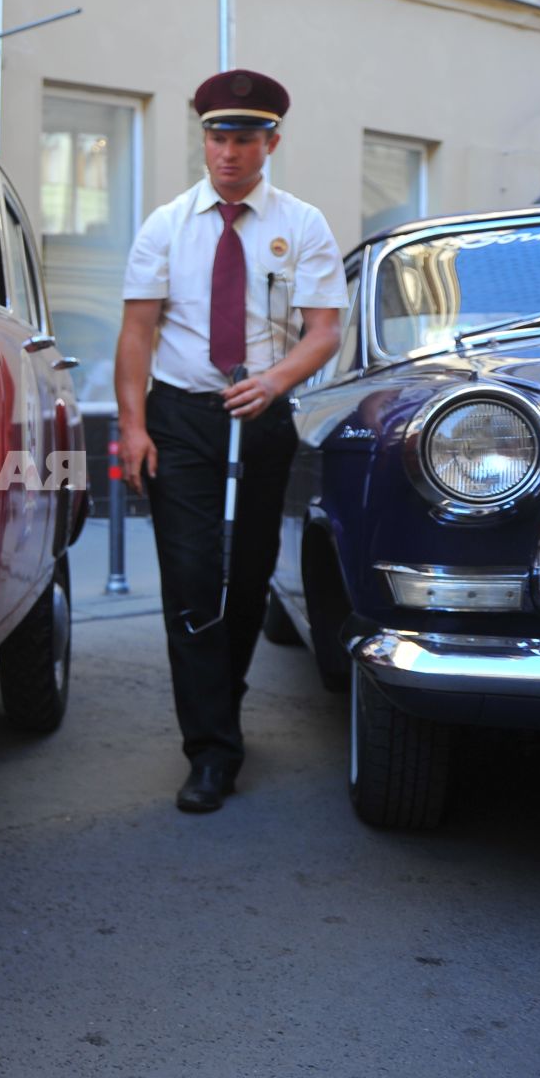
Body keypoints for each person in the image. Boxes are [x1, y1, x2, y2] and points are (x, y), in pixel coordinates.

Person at [113, 69, 345, 814]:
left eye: (245, 138)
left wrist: (275, 381)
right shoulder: (166, 225)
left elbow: (325, 331)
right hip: (181, 416)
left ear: (270, 141)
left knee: (247, 573)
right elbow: (137, 332)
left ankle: (222, 688)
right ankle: (211, 749)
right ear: (204, 139)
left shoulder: (302, 224)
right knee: (190, 574)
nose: (229, 152)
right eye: (218, 136)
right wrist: (133, 427)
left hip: (261, 414)